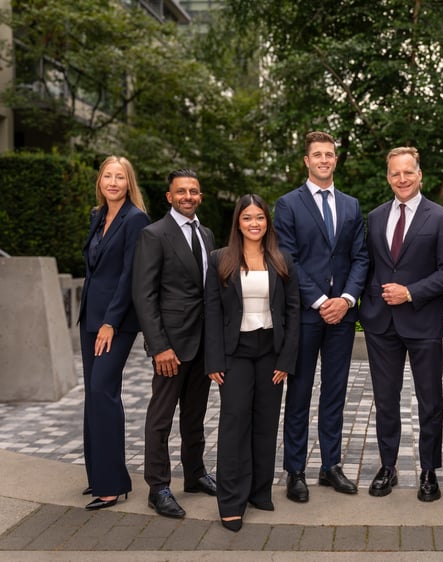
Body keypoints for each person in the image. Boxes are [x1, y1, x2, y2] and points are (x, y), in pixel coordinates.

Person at [359, 146, 443, 502]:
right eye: (395, 173)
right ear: (388, 178)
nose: (402, 179)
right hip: (381, 324)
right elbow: (369, 265)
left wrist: (411, 292)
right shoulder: (375, 217)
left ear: (420, 175)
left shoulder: (441, 218)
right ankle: (387, 467)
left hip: (422, 322)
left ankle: (429, 471)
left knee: (430, 401)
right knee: (385, 401)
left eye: (408, 172)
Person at [273, 131, 368, 503]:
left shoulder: (351, 205)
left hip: (342, 316)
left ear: (335, 160)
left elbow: (360, 257)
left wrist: (345, 299)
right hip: (305, 315)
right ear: (306, 161)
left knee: (335, 393)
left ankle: (330, 466)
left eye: (329, 154)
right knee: (298, 394)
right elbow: (288, 259)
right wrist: (320, 300)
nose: (324, 160)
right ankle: (295, 470)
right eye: (318, 155)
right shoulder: (288, 204)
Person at [205, 194, 300, 532]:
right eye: (247, 218)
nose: (254, 223)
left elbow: (293, 312)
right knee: (234, 424)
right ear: (238, 222)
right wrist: (214, 359)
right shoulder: (220, 260)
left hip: (270, 352)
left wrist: (286, 359)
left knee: (265, 423)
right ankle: (231, 502)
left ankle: (259, 492)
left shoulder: (282, 260)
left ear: (267, 222)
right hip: (235, 353)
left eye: (259, 217)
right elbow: (212, 312)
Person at [133, 169, 217, 519]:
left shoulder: (206, 234)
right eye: (181, 191)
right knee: (161, 419)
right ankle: (158, 487)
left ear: (200, 196)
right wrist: (159, 347)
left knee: (195, 415)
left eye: (193, 191)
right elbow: (144, 295)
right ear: (169, 197)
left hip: (203, 342)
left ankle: (195, 475)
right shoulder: (154, 234)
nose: (188, 196)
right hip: (171, 345)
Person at [79, 156, 150, 510]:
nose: (112, 182)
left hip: (115, 322)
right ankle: (98, 476)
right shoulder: (98, 215)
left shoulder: (135, 219)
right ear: (100, 181)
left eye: (119, 177)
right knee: (92, 397)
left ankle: (113, 485)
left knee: (103, 391)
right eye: (107, 176)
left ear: (128, 182)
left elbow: (129, 275)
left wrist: (110, 322)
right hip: (89, 318)